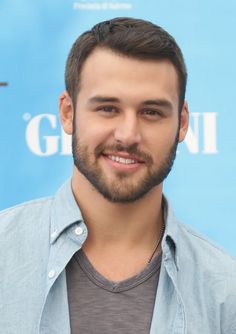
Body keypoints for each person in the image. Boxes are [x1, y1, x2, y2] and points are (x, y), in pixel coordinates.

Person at [1, 17, 236, 334]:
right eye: (107, 108)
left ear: (181, 123)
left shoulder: (224, 290)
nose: (128, 135)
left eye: (151, 112)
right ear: (68, 113)